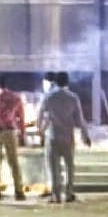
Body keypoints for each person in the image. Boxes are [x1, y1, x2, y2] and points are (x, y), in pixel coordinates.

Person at [36, 71, 91, 204]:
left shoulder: (48, 97)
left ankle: (56, 196)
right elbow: (80, 119)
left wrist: (40, 130)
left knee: (53, 167)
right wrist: (85, 135)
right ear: (67, 82)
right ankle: (69, 193)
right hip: (67, 136)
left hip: (53, 135)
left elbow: (40, 115)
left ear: (55, 82)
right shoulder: (73, 98)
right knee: (69, 166)